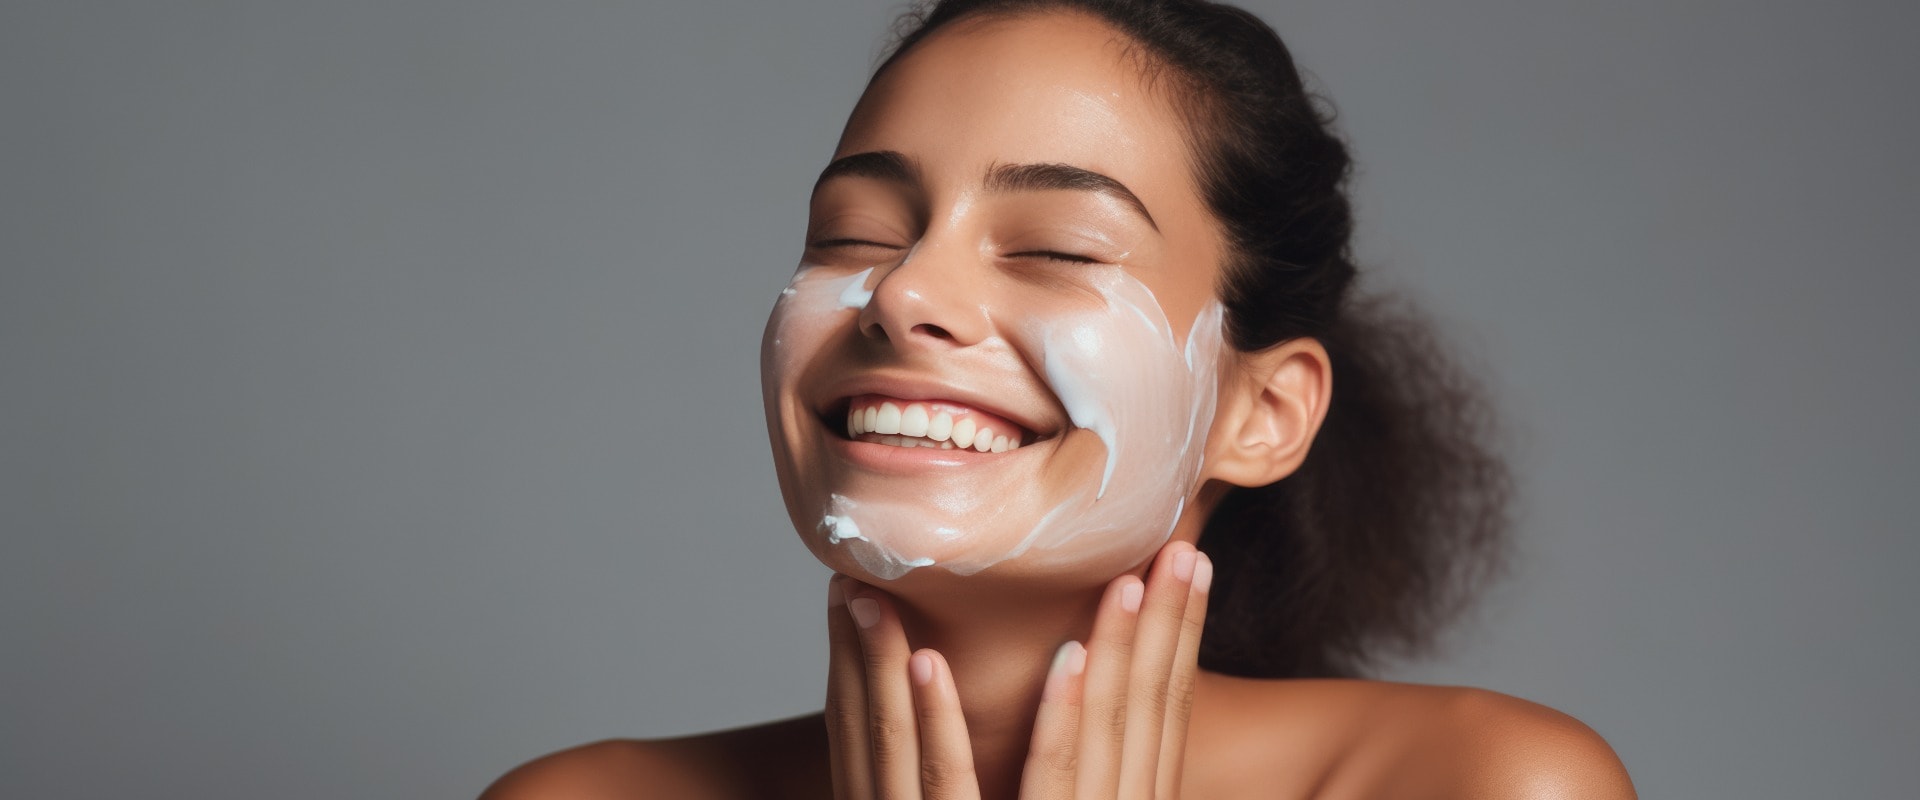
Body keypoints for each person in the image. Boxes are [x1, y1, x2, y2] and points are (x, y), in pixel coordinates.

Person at [483, 1, 1636, 797]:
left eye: (1054, 247)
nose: (905, 291)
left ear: (1265, 412)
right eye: (854, 234)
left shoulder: (1483, 784)